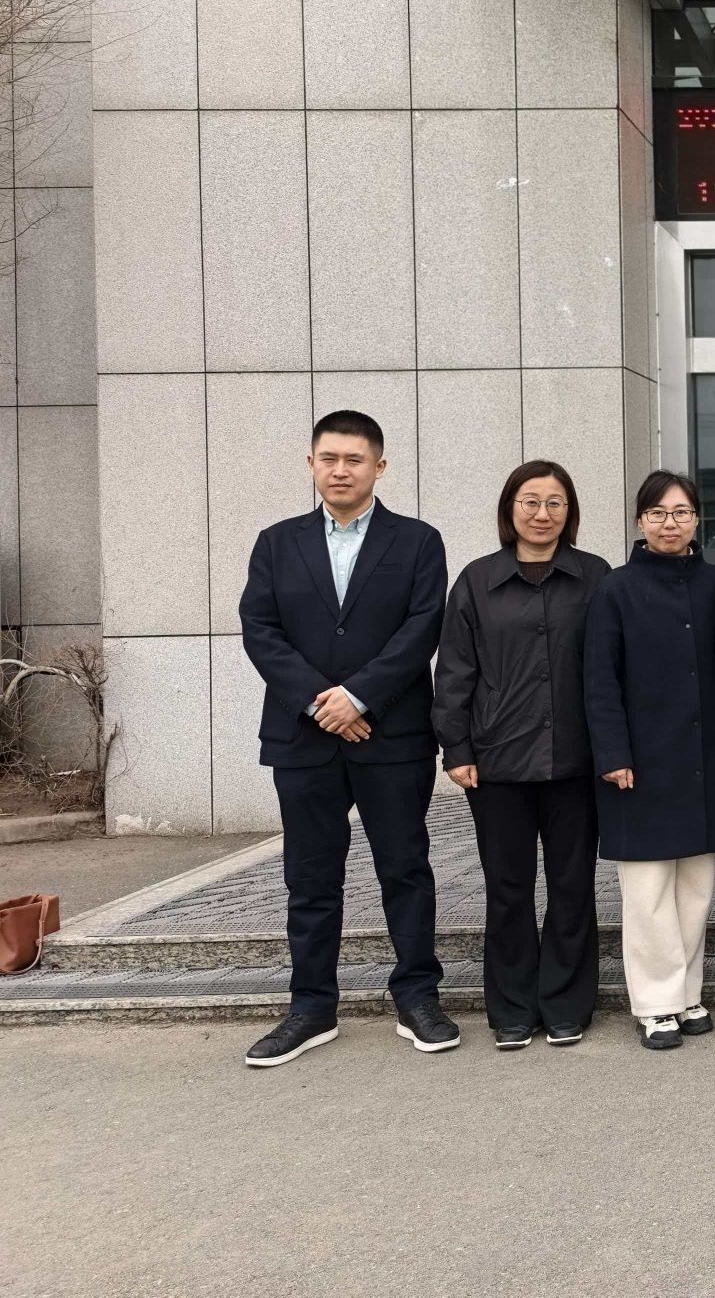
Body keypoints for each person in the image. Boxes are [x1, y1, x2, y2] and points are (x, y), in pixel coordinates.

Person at [237, 410, 454, 1067]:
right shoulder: (277, 543)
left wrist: (357, 697)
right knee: (310, 878)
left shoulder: (417, 542)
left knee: (405, 870)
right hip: (303, 740)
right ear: (311, 464)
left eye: (354, 460)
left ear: (378, 467)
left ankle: (417, 997)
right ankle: (311, 1008)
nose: (340, 470)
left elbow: (422, 628)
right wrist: (320, 701)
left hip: (392, 737)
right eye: (328, 458)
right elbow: (260, 630)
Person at [432, 461, 609, 1050]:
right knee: (507, 889)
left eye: (555, 502)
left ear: (570, 512)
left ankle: (566, 1004)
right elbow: (454, 672)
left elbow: (612, 667)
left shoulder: (594, 576)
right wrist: (456, 747)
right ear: (510, 509)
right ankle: (511, 1008)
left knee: (572, 885)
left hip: (577, 761)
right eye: (530, 501)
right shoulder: (477, 581)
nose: (542, 513)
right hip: (497, 763)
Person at [585, 471, 715, 1051]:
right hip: (640, 761)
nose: (670, 524)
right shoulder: (615, 589)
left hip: (705, 758)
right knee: (647, 891)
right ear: (640, 520)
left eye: (681, 513)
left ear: (697, 519)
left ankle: (688, 994)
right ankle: (654, 1004)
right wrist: (612, 753)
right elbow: (600, 680)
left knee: (696, 887)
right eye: (658, 513)